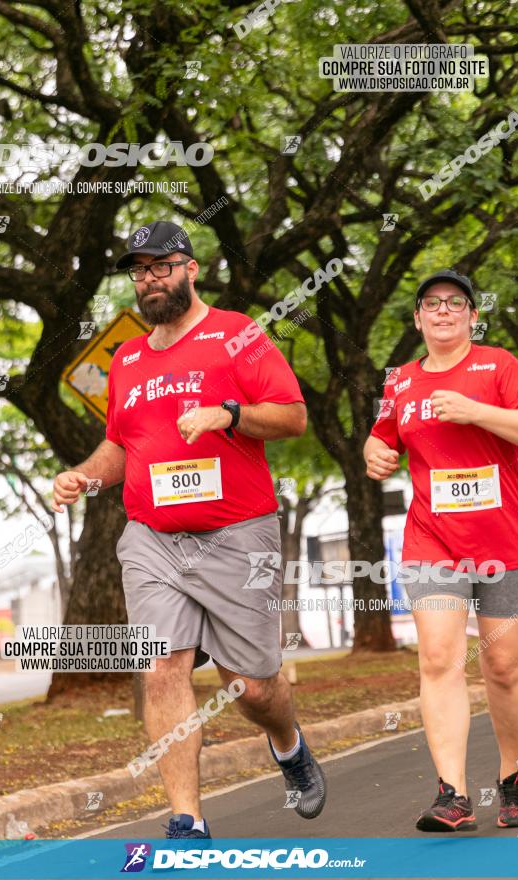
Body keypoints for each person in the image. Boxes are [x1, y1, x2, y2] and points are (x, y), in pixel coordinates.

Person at [52, 220, 326, 838]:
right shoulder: (125, 358)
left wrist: (229, 414)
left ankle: (288, 743)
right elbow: (123, 446)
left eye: (162, 266)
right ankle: (187, 820)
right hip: (152, 539)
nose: (151, 279)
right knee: (161, 667)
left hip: (237, 532)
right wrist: (83, 477)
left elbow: (292, 418)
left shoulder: (238, 335)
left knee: (253, 689)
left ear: (191, 268)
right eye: (140, 270)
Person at [364, 269, 518, 832]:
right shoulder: (401, 383)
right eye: (431, 304)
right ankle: (453, 795)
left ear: (470, 315)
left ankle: (512, 777)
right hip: (431, 541)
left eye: (455, 303)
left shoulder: (500, 366)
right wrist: (374, 451)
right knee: (438, 658)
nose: (443, 311)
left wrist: (475, 411)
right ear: (417, 318)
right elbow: (382, 434)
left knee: (505, 668)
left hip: (506, 542)